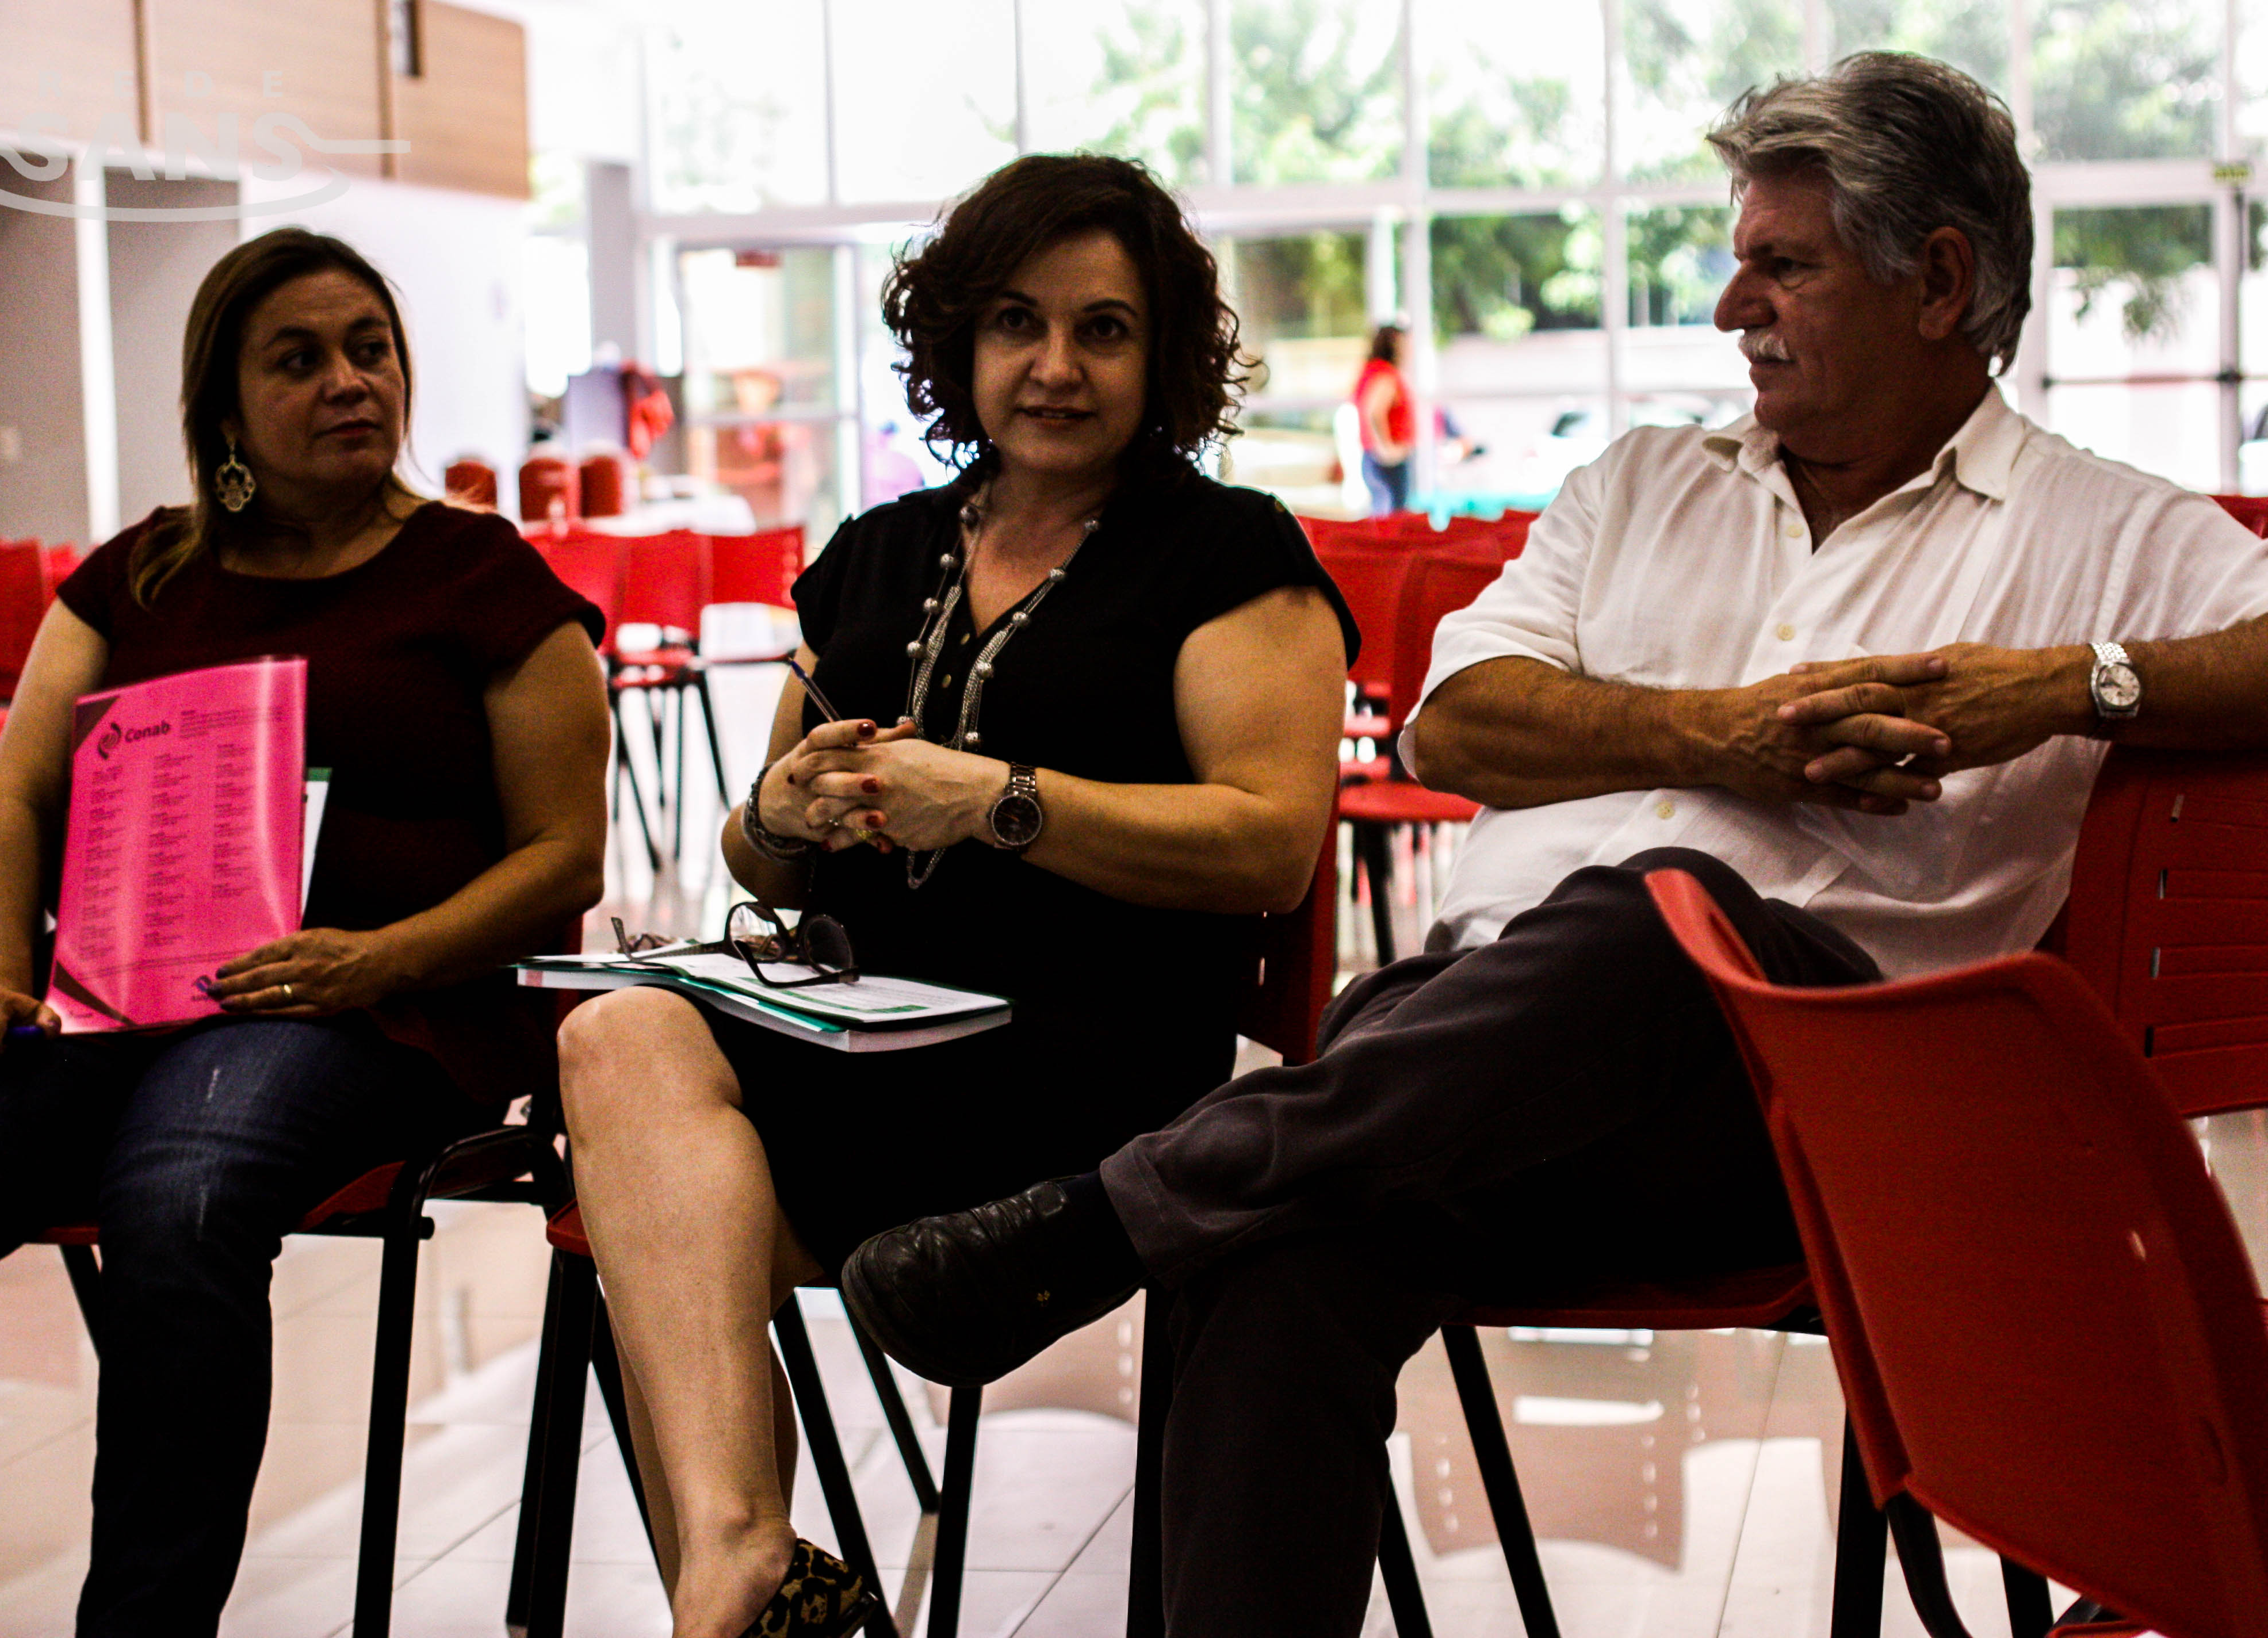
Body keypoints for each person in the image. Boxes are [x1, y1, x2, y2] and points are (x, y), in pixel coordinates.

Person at [841, 53, 2268, 1638]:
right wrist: (1726, 734)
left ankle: (1107, 1213)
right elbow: (1452, 725)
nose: (1731, 307)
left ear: (1937, 282)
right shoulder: (1641, 485)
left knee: (1662, 915)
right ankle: (1174, 1201)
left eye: (1782, 265)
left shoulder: (2099, 529)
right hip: (1476, 1071)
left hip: (1819, 1124)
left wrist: (2065, 686)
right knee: (1277, 1247)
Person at [554, 154, 1353, 1638]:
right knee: (615, 1034)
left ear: (1164, 355)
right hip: (853, 1038)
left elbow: (1270, 846)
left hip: (1089, 1070)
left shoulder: (1228, 554)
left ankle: (736, 1580)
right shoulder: (875, 554)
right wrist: (777, 811)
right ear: (959, 343)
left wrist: (995, 799)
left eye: (1103, 330)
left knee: (659, 1232)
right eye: (1015, 323)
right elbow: (761, 857)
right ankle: (742, 1554)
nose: (1055, 366)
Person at [0, 228, 611, 1635]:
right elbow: (16, 799)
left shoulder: (480, 576)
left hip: (377, 1008)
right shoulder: (139, 577)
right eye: (298, 360)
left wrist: (381, 954)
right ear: (224, 410)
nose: (348, 380)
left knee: (180, 1198)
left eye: (369, 347)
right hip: (108, 1001)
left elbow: (564, 856)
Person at [1353, 323, 1414, 514]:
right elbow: (1374, 412)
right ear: (1396, 345)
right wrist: (1386, 450)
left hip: (1373, 459)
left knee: (1382, 515)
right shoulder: (1385, 375)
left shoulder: (1370, 371)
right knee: (1393, 520)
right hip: (1387, 462)